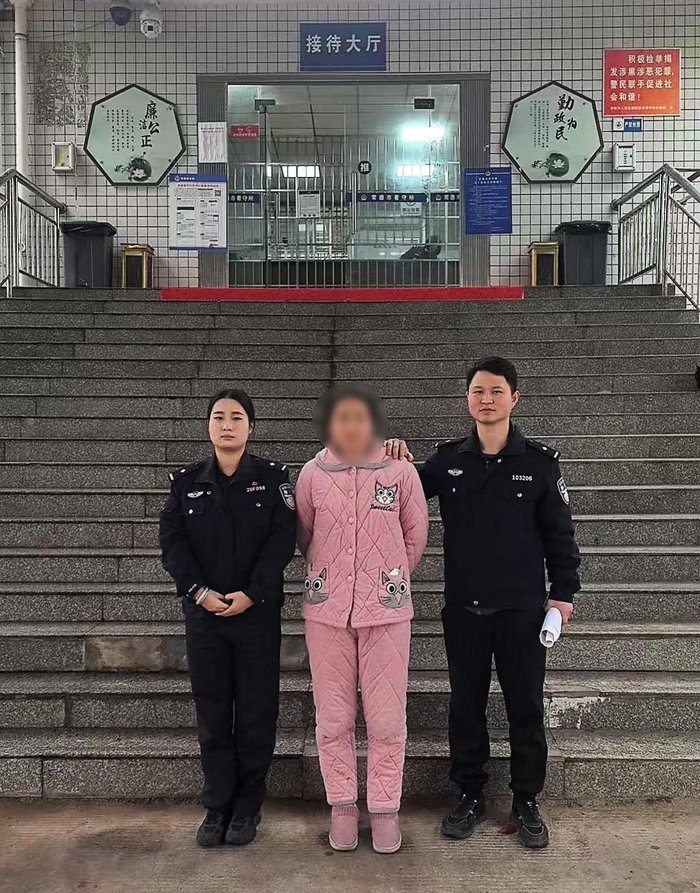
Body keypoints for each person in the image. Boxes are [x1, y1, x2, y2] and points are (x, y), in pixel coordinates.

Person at [385, 356, 581, 849]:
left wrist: (562, 595)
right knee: (465, 706)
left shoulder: (539, 463)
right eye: (478, 391)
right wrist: (391, 457)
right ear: (466, 398)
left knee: (525, 707)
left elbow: (560, 536)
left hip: (522, 611)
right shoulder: (447, 460)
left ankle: (526, 800)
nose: (486, 399)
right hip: (464, 611)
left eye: (496, 391)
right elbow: (398, 493)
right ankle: (469, 794)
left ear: (514, 398)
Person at [159, 388, 297, 848]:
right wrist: (199, 592)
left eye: (237, 417)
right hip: (205, 617)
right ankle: (217, 805)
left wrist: (252, 593)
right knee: (213, 712)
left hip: (256, 616)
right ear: (208, 426)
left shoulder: (273, 479)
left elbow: (281, 542)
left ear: (251, 427)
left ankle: (247, 805)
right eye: (219, 417)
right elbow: (173, 544)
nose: (227, 425)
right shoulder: (185, 483)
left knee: (256, 712)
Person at [295, 384, 429, 854]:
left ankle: (385, 808)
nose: (351, 425)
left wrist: (385, 577)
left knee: (387, 718)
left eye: (359, 416)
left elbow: (414, 536)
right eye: (341, 417)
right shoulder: (312, 474)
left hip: (386, 613)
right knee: (333, 717)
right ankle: (343, 805)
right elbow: (305, 535)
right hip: (326, 613)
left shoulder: (400, 471)